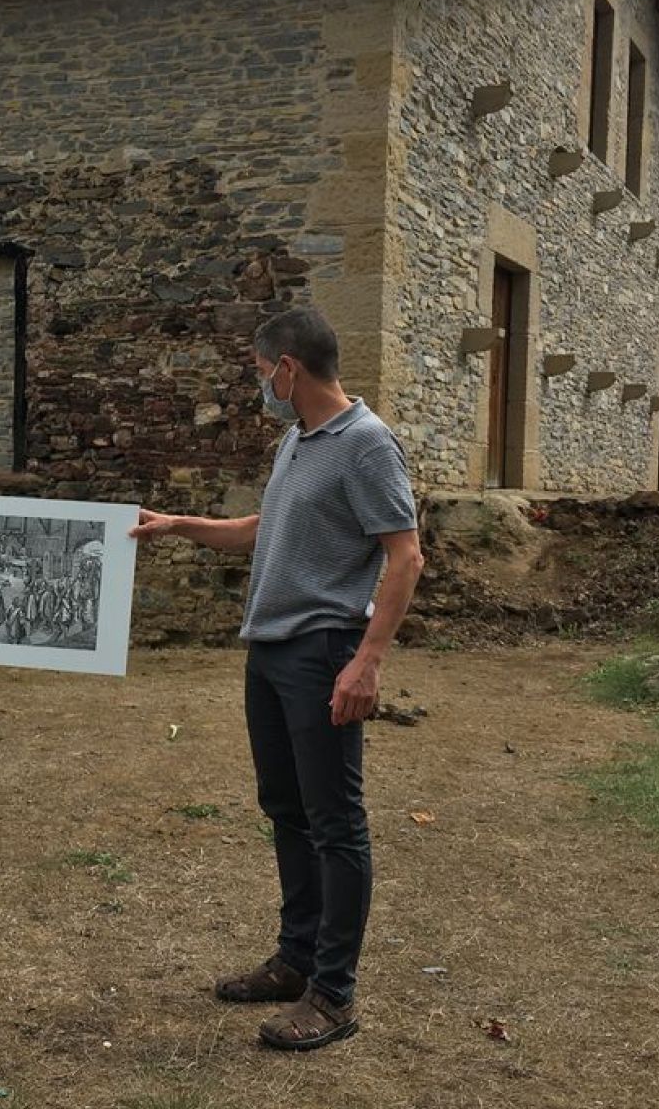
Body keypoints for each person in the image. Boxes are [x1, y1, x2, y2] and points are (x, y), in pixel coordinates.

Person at [131, 307, 424, 1051]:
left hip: (323, 650)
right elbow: (268, 529)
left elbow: (406, 556)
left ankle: (333, 996)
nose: (260, 385)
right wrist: (178, 525)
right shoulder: (296, 441)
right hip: (269, 652)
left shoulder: (365, 445)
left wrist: (367, 660)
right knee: (287, 809)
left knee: (335, 822)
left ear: (288, 368)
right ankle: (296, 961)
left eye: (262, 372)